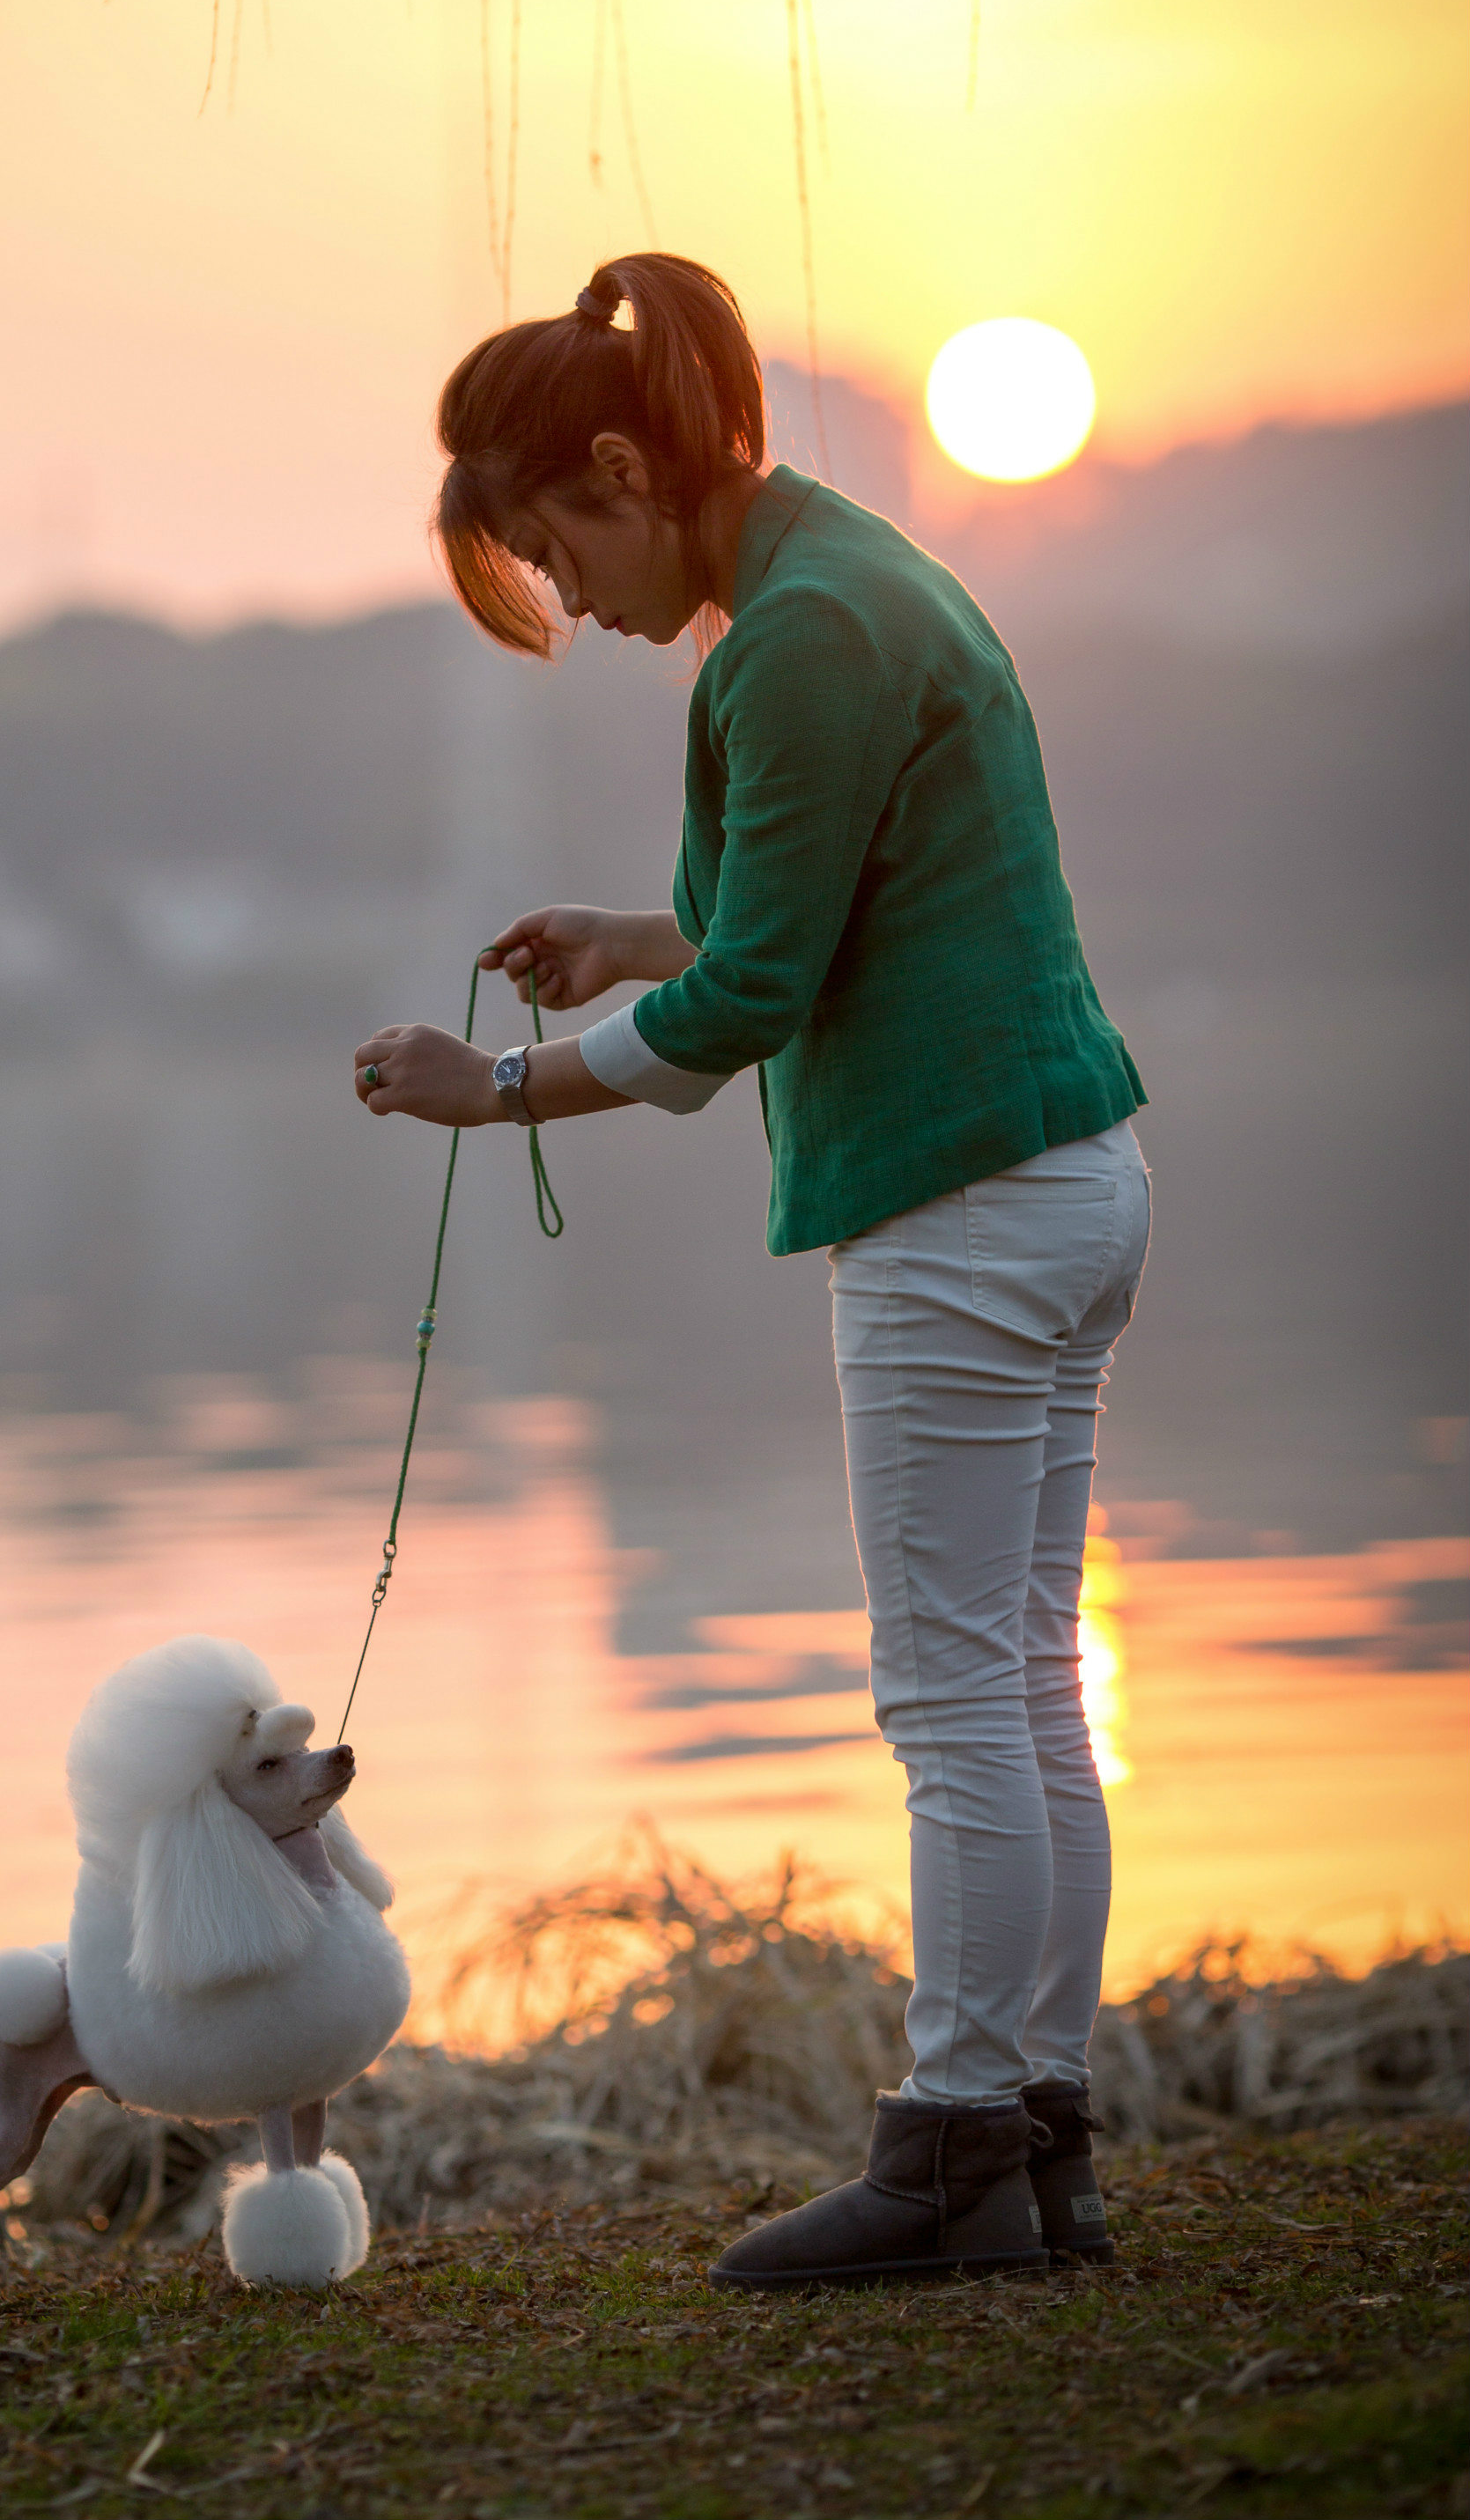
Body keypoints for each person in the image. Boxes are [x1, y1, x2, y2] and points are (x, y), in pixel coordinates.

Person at [353, 252, 1149, 2289]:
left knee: (953, 1695)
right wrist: (630, 935)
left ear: (625, 472)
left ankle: (955, 2141)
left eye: (559, 553)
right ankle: (1039, 2141)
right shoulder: (851, 578)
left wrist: (493, 1090)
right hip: (1066, 1176)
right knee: (1026, 1684)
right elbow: (799, 910)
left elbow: (749, 1006)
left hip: (957, 1200)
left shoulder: (793, 639)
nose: (574, 605)